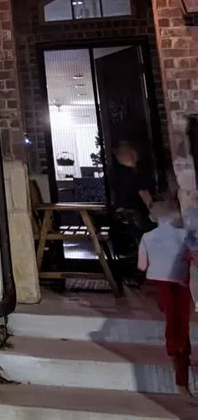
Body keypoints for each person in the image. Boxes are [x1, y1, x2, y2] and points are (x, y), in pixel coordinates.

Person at [138, 198, 193, 395]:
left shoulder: (147, 236)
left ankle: (174, 349)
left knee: (170, 315)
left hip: (158, 280)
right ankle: (179, 354)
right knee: (180, 319)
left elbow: (142, 266)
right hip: (180, 280)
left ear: (154, 217)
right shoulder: (186, 235)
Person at [110, 141, 156, 282]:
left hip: (122, 213)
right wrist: (153, 208)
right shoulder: (135, 173)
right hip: (134, 214)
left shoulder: (118, 172)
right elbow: (144, 193)